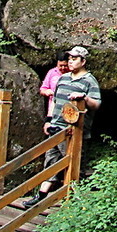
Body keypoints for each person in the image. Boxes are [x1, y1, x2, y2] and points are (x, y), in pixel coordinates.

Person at [22, 46, 101, 208]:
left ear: (83, 61)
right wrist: (48, 120)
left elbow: (96, 104)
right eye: (69, 59)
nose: (71, 61)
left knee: (74, 164)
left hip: (74, 131)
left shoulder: (89, 81)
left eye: (74, 59)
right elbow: (55, 101)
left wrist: (84, 98)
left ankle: (76, 200)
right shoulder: (63, 79)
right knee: (51, 161)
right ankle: (41, 196)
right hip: (56, 128)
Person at [39, 52, 72, 117]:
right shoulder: (51, 72)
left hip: (68, 108)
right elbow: (42, 89)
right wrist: (46, 92)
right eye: (60, 65)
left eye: (65, 66)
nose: (63, 68)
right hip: (53, 108)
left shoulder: (72, 73)